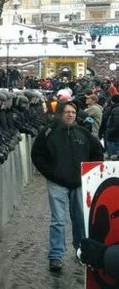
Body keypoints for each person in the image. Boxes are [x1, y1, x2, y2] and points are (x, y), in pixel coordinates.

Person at [31, 100, 104, 273]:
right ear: (60, 114)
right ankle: (56, 255)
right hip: (57, 183)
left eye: (73, 112)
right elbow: (37, 155)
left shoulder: (83, 133)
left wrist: (88, 175)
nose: (70, 115)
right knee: (58, 220)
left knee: (80, 219)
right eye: (67, 112)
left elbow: (97, 153)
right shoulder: (48, 132)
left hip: (79, 183)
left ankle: (81, 250)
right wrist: (51, 173)